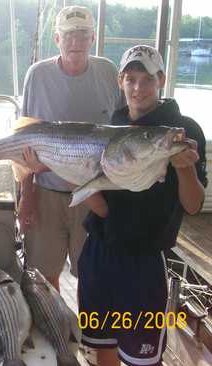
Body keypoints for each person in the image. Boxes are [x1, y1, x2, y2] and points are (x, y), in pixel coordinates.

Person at [78, 45, 207, 366]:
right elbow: (102, 208)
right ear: (121, 81)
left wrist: (184, 167)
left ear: (161, 79)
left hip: (145, 264)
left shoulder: (183, 130)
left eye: (147, 79)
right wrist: (72, 175)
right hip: (99, 255)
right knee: (100, 345)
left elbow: (193, 205)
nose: (138, 89)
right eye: (131, 79)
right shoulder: (113, 126)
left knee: (143, 358)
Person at [19, 5, 124, 291]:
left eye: (82, 34)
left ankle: (86, 333)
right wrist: (26, 197)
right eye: (68, 35)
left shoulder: (108, 72)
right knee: (43, 274)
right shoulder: (37, 75)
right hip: (47, 193)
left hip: (95, 195)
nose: (75, 42)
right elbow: (25, 138)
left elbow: (124, 134)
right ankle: (55, 329)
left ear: (93, 38)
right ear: (56, 39)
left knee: (90, 274)